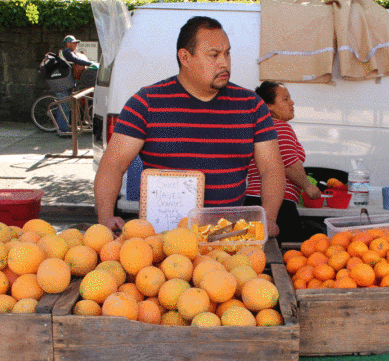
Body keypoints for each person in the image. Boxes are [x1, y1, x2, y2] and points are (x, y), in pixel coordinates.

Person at [93, 16, 285, 237]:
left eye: (227, 53)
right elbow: (112, 165)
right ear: (185, 57)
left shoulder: (251, 106)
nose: (224, 62)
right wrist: (105, 218)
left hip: (227, 237)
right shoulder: (146, 103)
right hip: (161, 241)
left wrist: (268, 218)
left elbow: (271, 168)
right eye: (214, 55)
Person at [245, 81, 321, 243]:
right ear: (269, 106)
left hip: (253, 201)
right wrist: (307, 186)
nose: (291, 102)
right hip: (279, 205)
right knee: (287, 257)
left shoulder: (259, 127)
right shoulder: (279, 126)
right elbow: (287, 163)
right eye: (285, 99)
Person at [53, 35, 96, 137]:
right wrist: (90, 63)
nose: (76, 44)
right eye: (74, 42)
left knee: (65, 106)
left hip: (62, 82)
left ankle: (64, 129)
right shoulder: (66, 52)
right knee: (64, 107)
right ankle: (63, 132)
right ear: (68, 44)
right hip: (62, 84)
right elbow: (76, 60)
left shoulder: (64, 52)